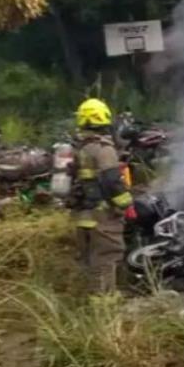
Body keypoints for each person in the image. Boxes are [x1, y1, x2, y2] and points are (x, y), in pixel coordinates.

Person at [70, 98, 135, 293]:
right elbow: (112, 181)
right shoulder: (104, 149)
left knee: (91, 261)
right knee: (106, 259)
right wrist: (126, 203)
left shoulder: (80, 149)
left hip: (83, 216)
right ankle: (103, 306)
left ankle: (93, 301)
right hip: (103, 217)